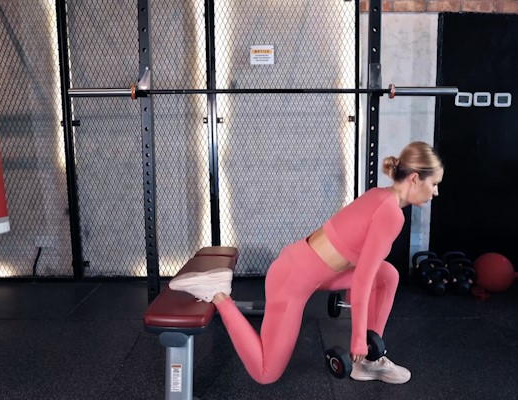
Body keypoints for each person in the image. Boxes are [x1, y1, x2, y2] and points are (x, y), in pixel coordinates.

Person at [168, 141, 444, 384]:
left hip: (315, 269)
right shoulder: (391, 215)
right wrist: (358, 338)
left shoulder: (379, 195)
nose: (435, 192)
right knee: (265, 372)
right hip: (292, 279)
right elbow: (362, 279)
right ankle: (219, 294)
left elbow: (360, 265)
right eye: (434, 184)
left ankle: (369, 363)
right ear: (414, 179)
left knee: (388, 275)